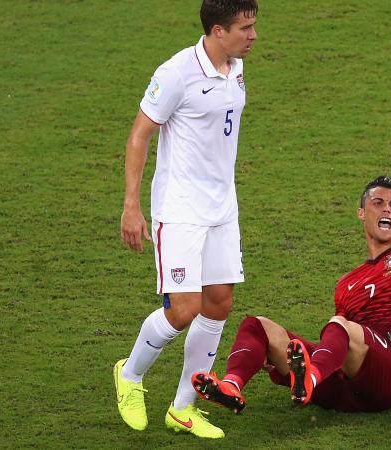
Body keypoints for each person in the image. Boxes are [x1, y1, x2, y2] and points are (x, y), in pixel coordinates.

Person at [190, 127, 391, 414]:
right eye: (378, 203)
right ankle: (232, 384)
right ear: (361, 213)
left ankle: (309, 377)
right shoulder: (347, 284)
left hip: (389, 376)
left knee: (341, 325)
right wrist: (275, 355)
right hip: (343, 387)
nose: (387, 210)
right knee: (258, 325)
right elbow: (341, 346)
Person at [113, 0, 258, 439]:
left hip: (222, 209)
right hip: (180, 211)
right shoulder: (176, 73)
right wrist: (132, 206)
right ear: (217, 30)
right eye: (244, 28)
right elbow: (140, 133)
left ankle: (183, 407)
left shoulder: (234, 68)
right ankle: (130, 375)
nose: (253, 36)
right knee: (184, 308)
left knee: (218, 303)